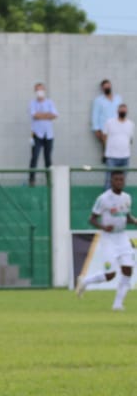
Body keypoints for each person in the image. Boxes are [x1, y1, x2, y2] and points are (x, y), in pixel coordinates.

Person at [77, 169, 137, 311]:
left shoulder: (127, 198)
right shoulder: (103, 199)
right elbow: (91, 219)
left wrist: (134, 221)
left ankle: (117, 304)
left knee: (128, 270)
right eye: (116, 180)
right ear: (111, 181)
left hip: (122, 237)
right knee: (110, 275)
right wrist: (103, 227)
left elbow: (126, 217)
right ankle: (85, 281)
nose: (119, 182)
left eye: (121, 180)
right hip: (109, 239)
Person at [28, 82, 58, 187]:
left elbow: (54, 115)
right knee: (34, 157)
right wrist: (47, 115)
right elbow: (35, 115)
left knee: (48, 158)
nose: (39, 92)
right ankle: (31, 180)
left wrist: (42, 115)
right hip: (37, 134)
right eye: (37, 90)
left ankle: (49, 181)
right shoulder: (32, 103)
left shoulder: (50, 102)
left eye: (41, 90)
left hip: (48, 135)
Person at [102, 103, 134, 185]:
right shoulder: (109, 122)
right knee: (109, 180)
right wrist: (105, 152)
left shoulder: (131, 124)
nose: (123, 111)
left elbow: (130, 139)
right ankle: (107, 197)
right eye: (121, 109)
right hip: (111, 156)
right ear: (117, 111)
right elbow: (104, 137)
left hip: (125, 157)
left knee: (122, 181)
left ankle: (120, 197)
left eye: (124, 110)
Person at [92, 79, 123, 164]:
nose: (107, 88)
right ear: (102, 89)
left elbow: (121, 111)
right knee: (108, 149)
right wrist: (96, 129)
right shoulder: (98, 100)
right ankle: (108, 163)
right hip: (104, 129)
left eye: (108, 86)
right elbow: (95, 115)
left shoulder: (118, 98)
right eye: (105, 87)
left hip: (117, 127)